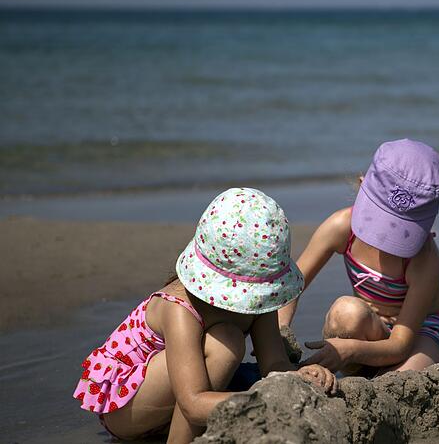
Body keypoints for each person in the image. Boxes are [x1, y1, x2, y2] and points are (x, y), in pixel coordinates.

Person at [72, 187, 336, 443]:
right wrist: (266, 401)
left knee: (231, 348)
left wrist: (298, 377)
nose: (256, 298)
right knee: (226, 343)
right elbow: (193, 403)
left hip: (179, 401)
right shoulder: (178, 308)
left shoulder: (258, 302)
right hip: (126, 407)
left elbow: (274, 365)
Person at [279, 139, 439, 375]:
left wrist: (352, 350)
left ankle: (368, 368)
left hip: (419, 331)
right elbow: (291, 287)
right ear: (362, 186)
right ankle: (357, 370)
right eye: (381, 221)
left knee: (402, 380)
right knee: (346, 312)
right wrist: (280, 331)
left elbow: (401, 344)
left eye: (400, 229)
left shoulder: (424, 258)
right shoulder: (342, 227)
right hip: (370, 326)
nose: (386, 236)